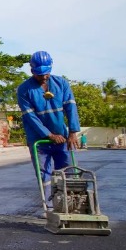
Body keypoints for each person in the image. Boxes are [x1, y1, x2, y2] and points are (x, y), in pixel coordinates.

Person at [15, 50, 80, 187]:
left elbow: (71, 107)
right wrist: (49, 135)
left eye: (46, 72)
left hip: (61, 137)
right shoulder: (24, 90)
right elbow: (30, 117)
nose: (44, 77)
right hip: (39, 139)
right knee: (45, 176)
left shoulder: (61, 83)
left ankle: (70, 202)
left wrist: (73, 132)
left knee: (68, 173)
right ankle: (49, 205)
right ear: (32, 70)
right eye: (39, 74)